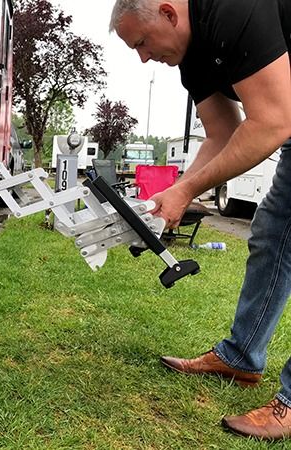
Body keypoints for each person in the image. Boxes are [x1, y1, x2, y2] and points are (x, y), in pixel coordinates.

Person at [110, 0, 291, 440]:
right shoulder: (190, 60)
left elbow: (270, 121)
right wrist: (168, 196)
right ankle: (241, 356)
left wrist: (187, 189)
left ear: (169, 14)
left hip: (284, 116)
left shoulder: (232, 9)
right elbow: (223, 133)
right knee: (273, 233)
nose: (143, 57)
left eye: (142, 43)